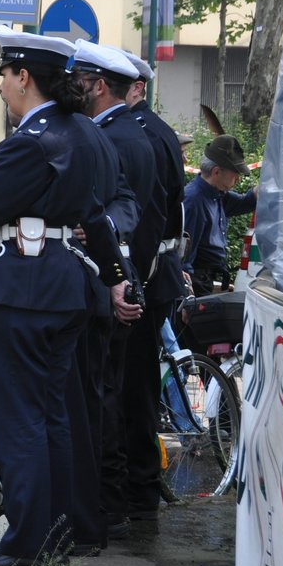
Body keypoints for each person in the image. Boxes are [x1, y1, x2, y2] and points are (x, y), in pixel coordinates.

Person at [0, 31, 127, 566]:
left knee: (18, 424)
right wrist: (116, 276)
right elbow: (86, 211)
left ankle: (23, 546)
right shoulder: (82, 134)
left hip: (17, 291)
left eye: (5, 77)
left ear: (24, 78)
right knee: (51, 418)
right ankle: (56, 534)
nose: (1, 89)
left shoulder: (27, 141)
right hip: (60, 288)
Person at [74, 42, 162, 541]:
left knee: (103, 395)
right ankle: (112, 501)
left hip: (110, 275)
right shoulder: (136, 132)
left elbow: (130, 212)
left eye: (82, 79)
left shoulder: (118, 138)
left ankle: (106, 503)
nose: (76, 87)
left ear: (98, 85)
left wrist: (110, 255)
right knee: (111, 392)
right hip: (121, 273)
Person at [123, 53, 193, 522]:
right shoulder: (156, 130)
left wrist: (130, 278)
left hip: (147, 270)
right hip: (158, 269)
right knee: (137, 383)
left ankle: (139, 486)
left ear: (134, 88)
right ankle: (139, 484)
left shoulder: (142, 134)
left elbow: (146, 215)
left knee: (133, 386)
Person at [182, 134, 256, 296]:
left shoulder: (218, 195)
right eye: (235, 173)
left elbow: (247, 202)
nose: (238, 179)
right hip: (196, 282)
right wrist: (188, 294)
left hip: (206, 279)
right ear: (216, 172)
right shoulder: (194, 200)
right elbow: (185, 255)